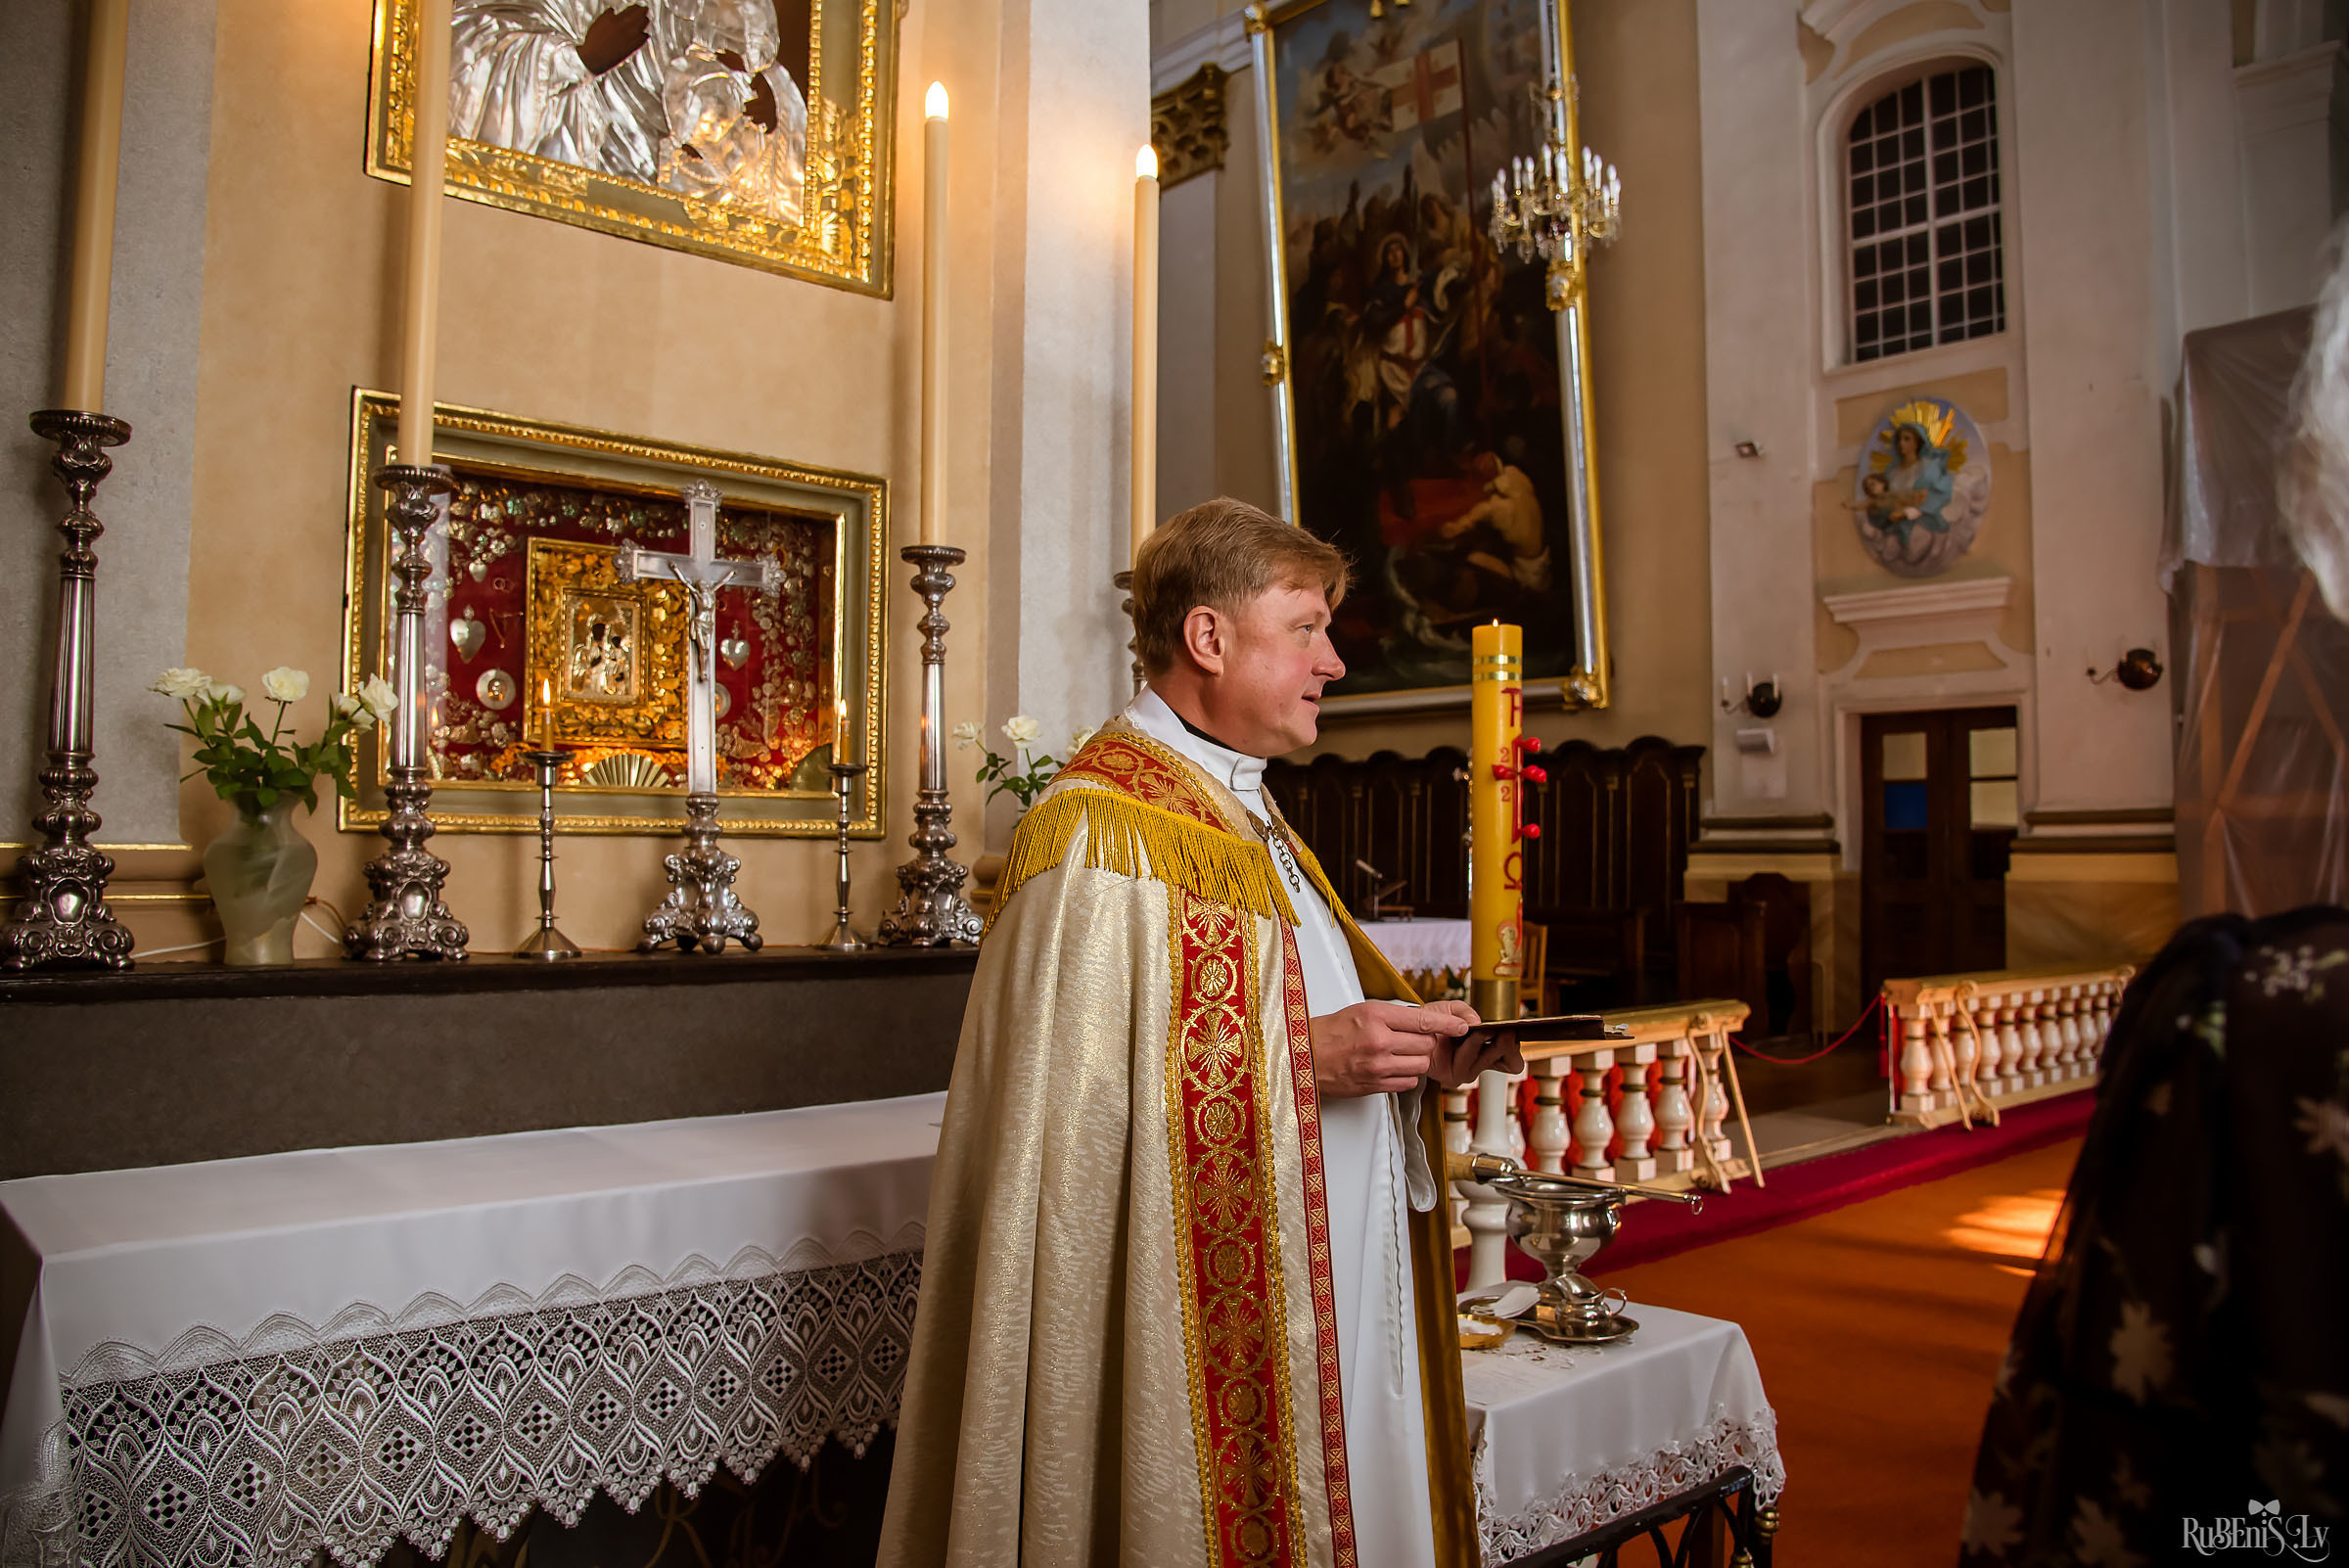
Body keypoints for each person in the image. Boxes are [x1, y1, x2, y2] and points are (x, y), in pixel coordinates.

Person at [879, 498, 1521, 1567]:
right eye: (1306, 628)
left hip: (1331, 1291)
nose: (1335, 663)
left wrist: (1408, 1059)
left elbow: (1288, 1024)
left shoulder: (1244, 814)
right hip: (1204, 1342)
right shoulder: (1098, 835)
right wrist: (1311, 1059)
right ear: (1208, 637)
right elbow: (1072, 1132)